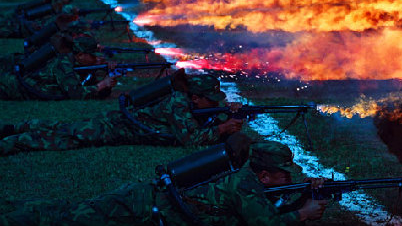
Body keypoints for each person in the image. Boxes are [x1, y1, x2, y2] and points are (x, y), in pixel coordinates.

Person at [0, 133, 328, 226]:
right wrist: (304, 213)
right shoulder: (244, 187)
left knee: (62, 212)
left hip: (142, 200)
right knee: (58, 220)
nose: (290, 177)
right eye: (285, 174)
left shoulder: (248, 180)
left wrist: (302, 193)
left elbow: (268, 206)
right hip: (136, 211)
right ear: (265, 175)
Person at [0, 72, 244, 155]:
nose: (213, 104)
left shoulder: (189, 103)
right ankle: (11, 141)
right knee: (63, 137)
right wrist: (223, 128)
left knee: (65, 127)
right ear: (195, 97)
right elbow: (190, 140)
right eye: (210, 101)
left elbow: (204, 121)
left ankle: (17, 128)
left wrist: (228, 115)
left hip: (115, 124)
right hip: (112, 128)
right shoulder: (178, 104)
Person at [0, 34, 117, 100]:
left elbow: (99, 94)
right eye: (94, 56)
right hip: (10, 86)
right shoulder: (64, 64)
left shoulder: (79, 64)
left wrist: (107, 74)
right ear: (80, 55)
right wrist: (102, 84)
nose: (99, 59)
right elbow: (77, 94)